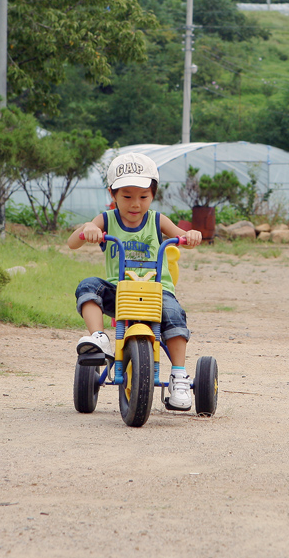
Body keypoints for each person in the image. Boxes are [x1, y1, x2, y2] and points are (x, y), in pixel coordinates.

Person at [67, 152, 203, 410]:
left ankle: (178, 374)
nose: (135, 204)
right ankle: (99, 338)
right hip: (118, 291)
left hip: (156, 290)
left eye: (143, 197)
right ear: (112, 194)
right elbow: (72, 243)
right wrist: (88, 228)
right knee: (88, 286)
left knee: (173, 314)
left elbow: (183, 237)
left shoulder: (157, 220)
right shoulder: (106, 219)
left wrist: (192, 236)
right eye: (127, 196)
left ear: (153, 195)